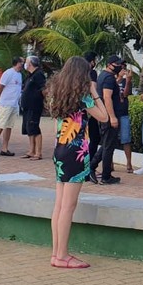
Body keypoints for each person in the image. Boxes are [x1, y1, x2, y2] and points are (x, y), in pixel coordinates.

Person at [46, 56, 106, 268]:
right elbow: (104, 117)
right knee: (68, 207)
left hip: (60, 148)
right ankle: (62, 255)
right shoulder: (83, 97)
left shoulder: (59, 94)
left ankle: (56, 253)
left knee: (59, 205)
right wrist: (94, 92)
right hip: (76, 152)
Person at [90, 55, 123, 185]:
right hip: (109, 117)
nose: (119, 66)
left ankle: (91, 167)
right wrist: (112, 117)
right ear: (109, 64)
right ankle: (106, 176)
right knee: (108, 147)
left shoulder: (103, 76)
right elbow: (107, 97)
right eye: (117, 64)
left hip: (105, 116)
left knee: (106, 145)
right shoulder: (108, 78)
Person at [0, 57, 24, 156]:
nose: (23, 64)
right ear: (18, 63)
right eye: (22, 62)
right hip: (6, 103)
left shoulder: (19, 75)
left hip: (14, 104)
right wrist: (0, 97)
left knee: (9, 126)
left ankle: (4, 148)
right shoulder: (8, 73)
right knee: (1, 125)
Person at [20, 56, 46, 161]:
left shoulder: (39, 74)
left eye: (26, 62)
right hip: (27, 106)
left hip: (35, 106)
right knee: (28, 128)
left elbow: (44, 89)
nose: (25, 64)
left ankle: (38, 153)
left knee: (34, 127)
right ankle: (31, 150)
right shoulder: (29, 75)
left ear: (30, 63)